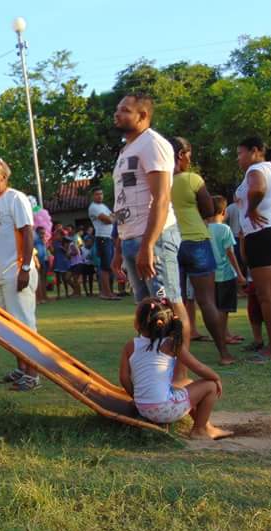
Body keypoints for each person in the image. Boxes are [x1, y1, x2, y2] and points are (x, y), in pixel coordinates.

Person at [110, 93, 190, 383]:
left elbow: (162, 198)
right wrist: (119, 248)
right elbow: (123, 202)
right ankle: (156, 374)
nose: (117, 114)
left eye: (125, 110)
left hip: (154, 239)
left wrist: (148, 245)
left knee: (169, 304)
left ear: (143, 116)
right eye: (117, 109)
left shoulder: (153, 143)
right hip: (131, 239)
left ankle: (180, 374)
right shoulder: (126, 150)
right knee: (147, 311)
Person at [119, 297, 232, 440]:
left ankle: (206, 426)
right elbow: (198, 367)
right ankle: (199, 430)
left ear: (137, 323)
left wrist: (137, 397)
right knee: (210, 386)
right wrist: (216, 378)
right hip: (165, 409)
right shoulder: (171, 345)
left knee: (186, 383)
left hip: (143, 408)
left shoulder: (130, 345)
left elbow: (124, 378)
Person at [170, 137, 234, 365]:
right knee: (206, 301)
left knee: (174, 302)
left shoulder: (157, 181)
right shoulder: (192, 179)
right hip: (196, 241)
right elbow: (208, 209)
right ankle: (224, 354)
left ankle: (178, 357)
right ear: (181, 155)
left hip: (170, 244)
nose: (190, 159)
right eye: (189, 155)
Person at [0, 158, 40, 391]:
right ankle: (21, 368)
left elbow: (28, 233)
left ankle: (34, 375)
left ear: (3, 176)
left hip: (16, 272)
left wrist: (24, 269)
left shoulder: (15, 198)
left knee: (24, 325)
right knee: (9, 328)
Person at [233, 136, 271, 362]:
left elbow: (258, 189)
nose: (238, 158)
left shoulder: (255, 169)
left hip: (260, 234)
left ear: (255, 151)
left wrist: (252, 209)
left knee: (267, 295)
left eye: (240, 153)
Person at [207, 196, 246, 348]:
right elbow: (230, 253)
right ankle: (222, 336)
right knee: (224, 309)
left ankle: (225, 333)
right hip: (225, 273)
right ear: (223, 212)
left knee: (216, 306)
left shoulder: (204, 228)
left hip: (210, 275)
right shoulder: (224, 229)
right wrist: (240, 274)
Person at [88, 187, 119, 300]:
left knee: (109, 265)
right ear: (93, 196)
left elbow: (114, 217)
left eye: (101, 194)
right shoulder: (93, 207)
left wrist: (113, 217)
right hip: (102, 237)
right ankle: (106, 292)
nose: (100, 196)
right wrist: (112, 217)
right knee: (105, 266)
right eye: (97, 194)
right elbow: (109, 220)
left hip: (109, 238)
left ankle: (109, 291)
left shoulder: (104, 206)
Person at [52, 229, 72, 299]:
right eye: (56, 235)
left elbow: (68, 252)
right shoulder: (55, 243)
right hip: (57, 261)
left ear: (61, 235)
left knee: (64, 278)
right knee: (58, 278)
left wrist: (63, 248)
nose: (56, 236)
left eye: (58, 235)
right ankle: (58, 294)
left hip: (64, 262)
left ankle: (67, 293)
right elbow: (53, 252)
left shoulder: (66, 242)